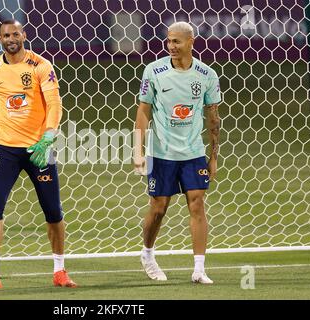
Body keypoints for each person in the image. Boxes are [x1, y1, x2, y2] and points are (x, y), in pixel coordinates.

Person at [0, 19, 76, 289]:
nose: (11, 38)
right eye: (6, 35)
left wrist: (49, 135)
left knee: (53, 211)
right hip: (4, 148)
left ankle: (60, 271)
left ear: (24, 35)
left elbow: (54, 103)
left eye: (15, 33)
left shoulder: (41, 66)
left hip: (39, 149)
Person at [134, 21, 221, 284]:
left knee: (197, 202)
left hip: (193, 152)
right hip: (162, 153)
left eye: (176, 41)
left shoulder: (207, 75)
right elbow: (143, 110)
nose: (171, 46)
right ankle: (147, 255)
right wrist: (138, 150)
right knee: (159, 208)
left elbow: (213, 117)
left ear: (191, 42)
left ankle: (199, 268)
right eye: (169, 41)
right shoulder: (154, 71)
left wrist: (214, 156)